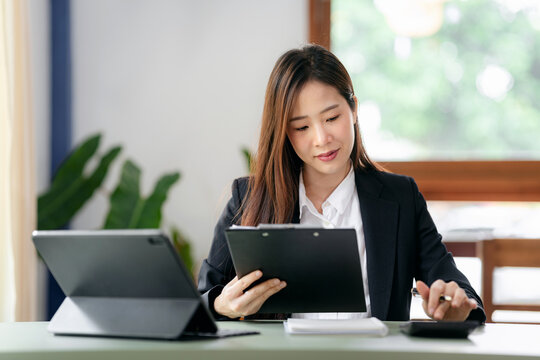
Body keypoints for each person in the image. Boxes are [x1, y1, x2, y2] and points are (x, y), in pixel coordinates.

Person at [198, 44, 485, 323]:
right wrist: (221, 305)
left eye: (332, 117)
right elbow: (199, 303)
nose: (322, 138)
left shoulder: (400, 198)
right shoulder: (248, 198)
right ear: (284, 131)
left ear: (354, 109)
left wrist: (455, 306)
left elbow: (460, 292)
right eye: (302, 127)